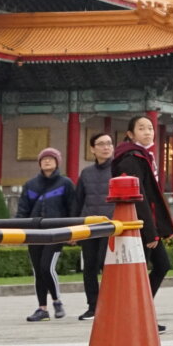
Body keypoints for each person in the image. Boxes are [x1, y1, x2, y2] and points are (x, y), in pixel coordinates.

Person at [110, 115, 173, 329]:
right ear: (130, 134)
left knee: (159, 267)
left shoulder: (144, 156)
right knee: (155, 268)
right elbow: (139, 198)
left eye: (150, 128)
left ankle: (139, 315)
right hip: (139, 225)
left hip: (146, 224)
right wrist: (150, 232)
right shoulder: (131, 159)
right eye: (141, 128)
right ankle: (136, 317)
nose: (148, 132)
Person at [17, 148, 77, 322]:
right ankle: (42, 308)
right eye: (44, 159)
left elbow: (72, 208)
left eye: (51, 159)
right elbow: (23, 210)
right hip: (34, 233)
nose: (47, 162)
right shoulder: (30, 185)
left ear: (57, 162)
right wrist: (16, 231)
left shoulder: (65, 183)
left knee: (46, 267)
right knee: (38, 271)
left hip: (55, 232)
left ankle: (57, 301)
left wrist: (72, 231)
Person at [75, 132, 118, 319]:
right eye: (101, 144)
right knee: (90, 267)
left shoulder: (119, 170)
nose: (106, 147)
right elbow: (78, 202)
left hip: (111, 227)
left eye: (109, 143)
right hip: (90, 227)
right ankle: (93, 306)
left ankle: (110, 304)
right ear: (92, 149)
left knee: (105, 265)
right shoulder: (86, 173)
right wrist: (75, 228)